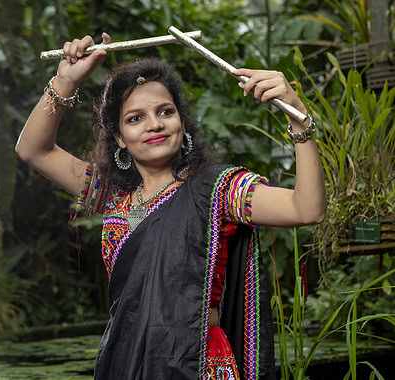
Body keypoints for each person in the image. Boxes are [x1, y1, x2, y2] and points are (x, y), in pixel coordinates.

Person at [16, 32, 326, 380]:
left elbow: (306, 209)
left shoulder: (218, 190)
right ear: (119, 137)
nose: (154, 124)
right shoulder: (113, 195)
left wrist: (298, 115)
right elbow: (33, 150)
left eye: (165, 111)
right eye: (135, 118)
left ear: (181, 122)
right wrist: (64, 81)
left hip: (196, 365)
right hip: (126, 362)